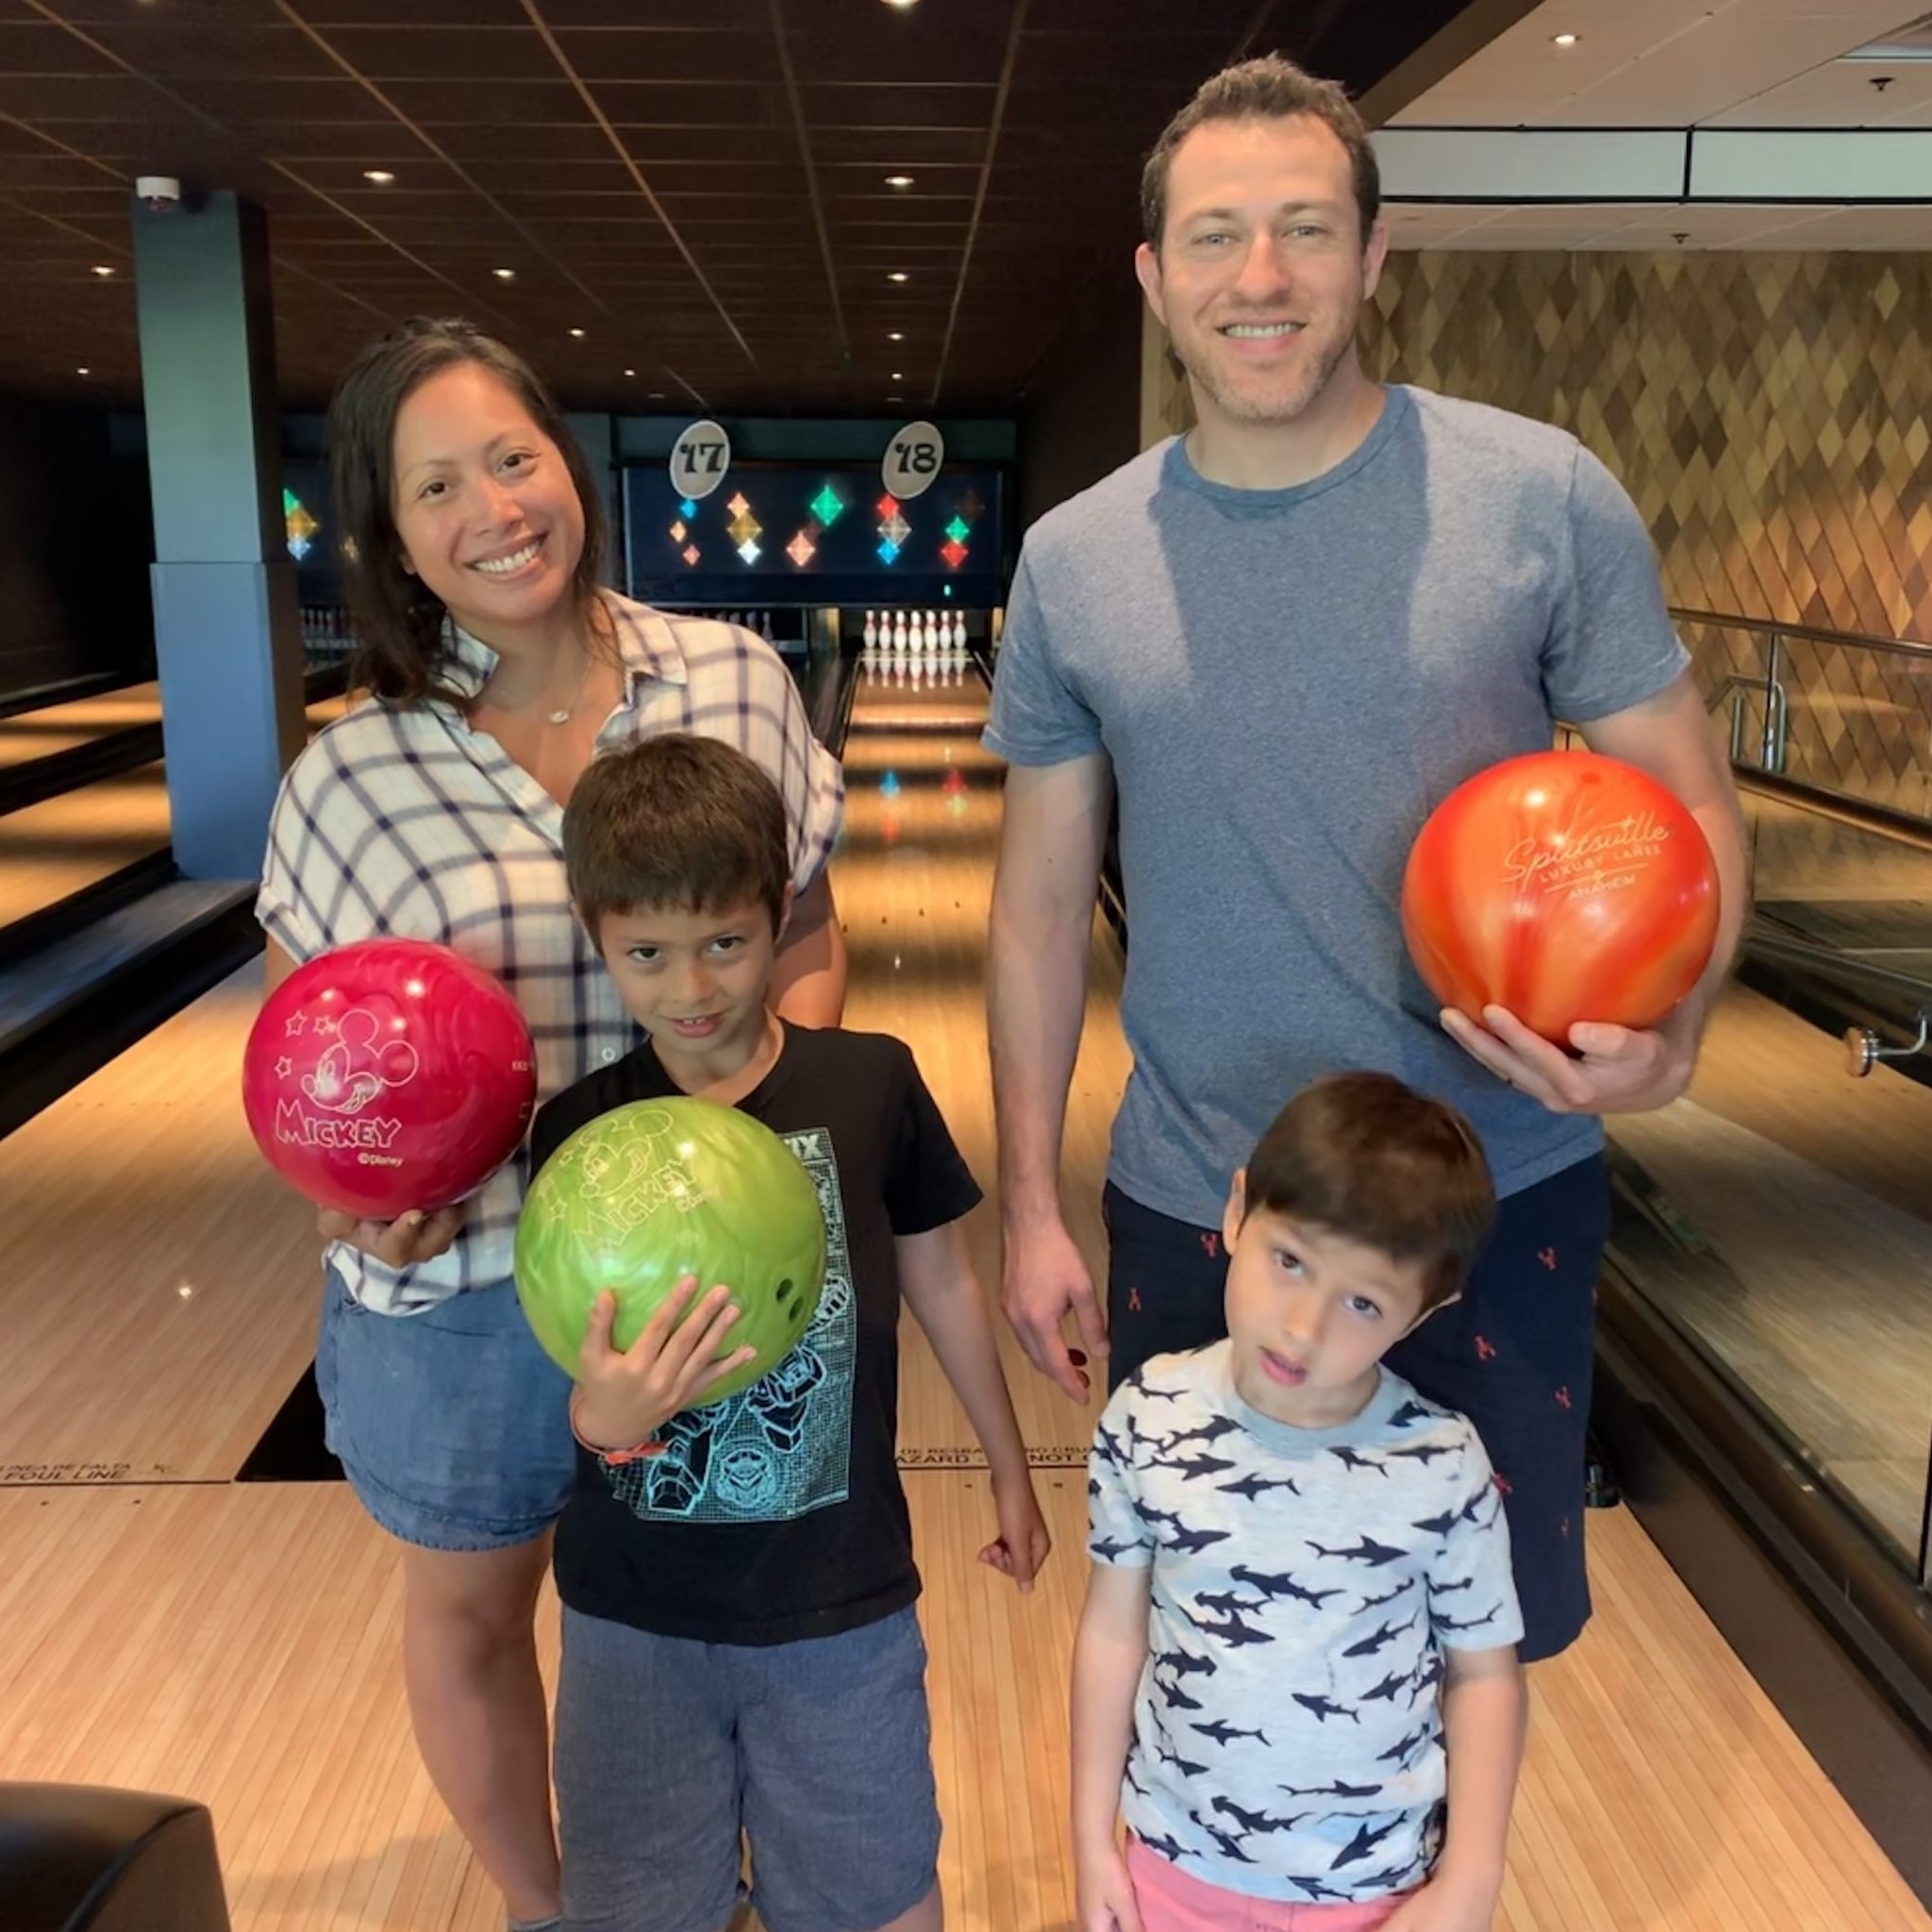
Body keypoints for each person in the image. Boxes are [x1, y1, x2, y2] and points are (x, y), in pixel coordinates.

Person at [983, 56, 1747, 1664]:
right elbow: (1042, 907)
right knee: (1207, 1642)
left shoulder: (1536, 495)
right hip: (1198, 1202)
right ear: (1151, 276)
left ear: (1370, 255)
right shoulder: (1074, 560)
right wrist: (1026, 1207)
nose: (1257, 278)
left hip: (1487, 1196)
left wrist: (1673, 1035)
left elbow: (1686, 804)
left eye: (1302, 230)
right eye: (1212, 237)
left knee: (1473, 1649)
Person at [255, 318, 847, 1931]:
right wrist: (346, 1200)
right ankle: (549, 1901)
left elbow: (800, 933)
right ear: (387, 533)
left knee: (691, 1619)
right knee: (468, 1614)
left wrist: (776, 1124)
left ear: (564, 464)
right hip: (462, 1294)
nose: (492, 506)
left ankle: (692, 1873)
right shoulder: (354, 771)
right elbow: (306, 1064)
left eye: (510, 458)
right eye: (435, 484)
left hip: (695, 1275)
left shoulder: (727, 673)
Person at [527, 731, 1051, 1932]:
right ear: (596, 936)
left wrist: (1009, 1467)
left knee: (875, 1900)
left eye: (726, 940)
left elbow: (945, 1283)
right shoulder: (578, 1128)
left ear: (781, 915)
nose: (692, 985)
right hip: (633, 1611)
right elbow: (568, 1369)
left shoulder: (867, 1084)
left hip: (839, 1600)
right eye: (646, 952)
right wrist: (597, 1422)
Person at [1072, 1073, 1523, 1932]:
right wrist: (1092, 1837)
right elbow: (1111, 1630)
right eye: (1290, 1262)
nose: (1304, 1327)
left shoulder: (1442, 1463)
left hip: (1375, 1890)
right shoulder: (1148, 1413)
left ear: (1429, 1308)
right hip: (1173, 1867)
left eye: (1362, 1302)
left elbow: (1484, 1673)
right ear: (1238, 1211)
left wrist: (1471, 1877)